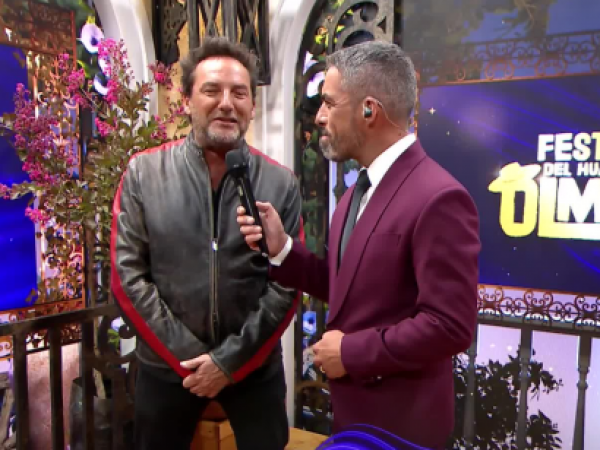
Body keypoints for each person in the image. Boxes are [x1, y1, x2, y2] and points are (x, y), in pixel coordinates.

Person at [237, 41, 480, 449]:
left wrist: (351, 353)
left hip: (400, 432)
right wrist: (281, 249)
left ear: (369, 110)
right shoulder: (355, 193)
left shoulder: (439, 197)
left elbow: (450, 326)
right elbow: (348, 289)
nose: (319, 116)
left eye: (329, 103)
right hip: (353, 421)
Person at [111, 37, 303, 450]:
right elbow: (128, 277)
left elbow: (287, 283)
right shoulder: (144, 173)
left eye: (239, 93)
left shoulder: (280, 183)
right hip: (167, 368)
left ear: (252, 106)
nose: (226, 104)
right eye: (212, 91)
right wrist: (192, 359)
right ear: (187, 100)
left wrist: (228, 361)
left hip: (253, 369)